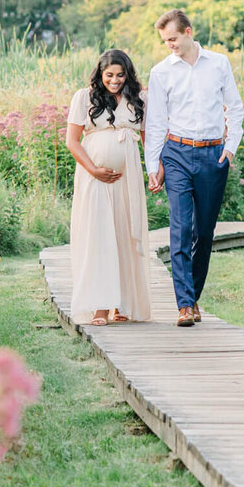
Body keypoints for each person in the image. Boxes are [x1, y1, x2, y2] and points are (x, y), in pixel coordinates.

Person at [144, 10, 243, 327]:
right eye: (165, 41)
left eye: (172, 38)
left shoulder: (219, 64)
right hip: (176, 154)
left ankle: (194, 297)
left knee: (204, 232)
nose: (169, 45)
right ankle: (184, 305)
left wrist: (229, 149)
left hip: (213, 155)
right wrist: (153, 165)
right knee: (181, 229)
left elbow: (236, 107)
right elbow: (156, 121)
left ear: (188, 32)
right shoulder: (161, 72)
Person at [64, 49, 153, 326]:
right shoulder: (85, 98)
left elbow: (149, 139)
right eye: (109, 75)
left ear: (128, 75)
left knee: (125, 234)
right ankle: (99, 308)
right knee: (99, 236)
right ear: (100, 75)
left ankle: (122, 304)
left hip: (128, 180)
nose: (114, 80)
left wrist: (155, 171)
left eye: (120, 75)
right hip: (94, 178)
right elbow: (72, 141)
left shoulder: (139, 99)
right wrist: (94, 170)